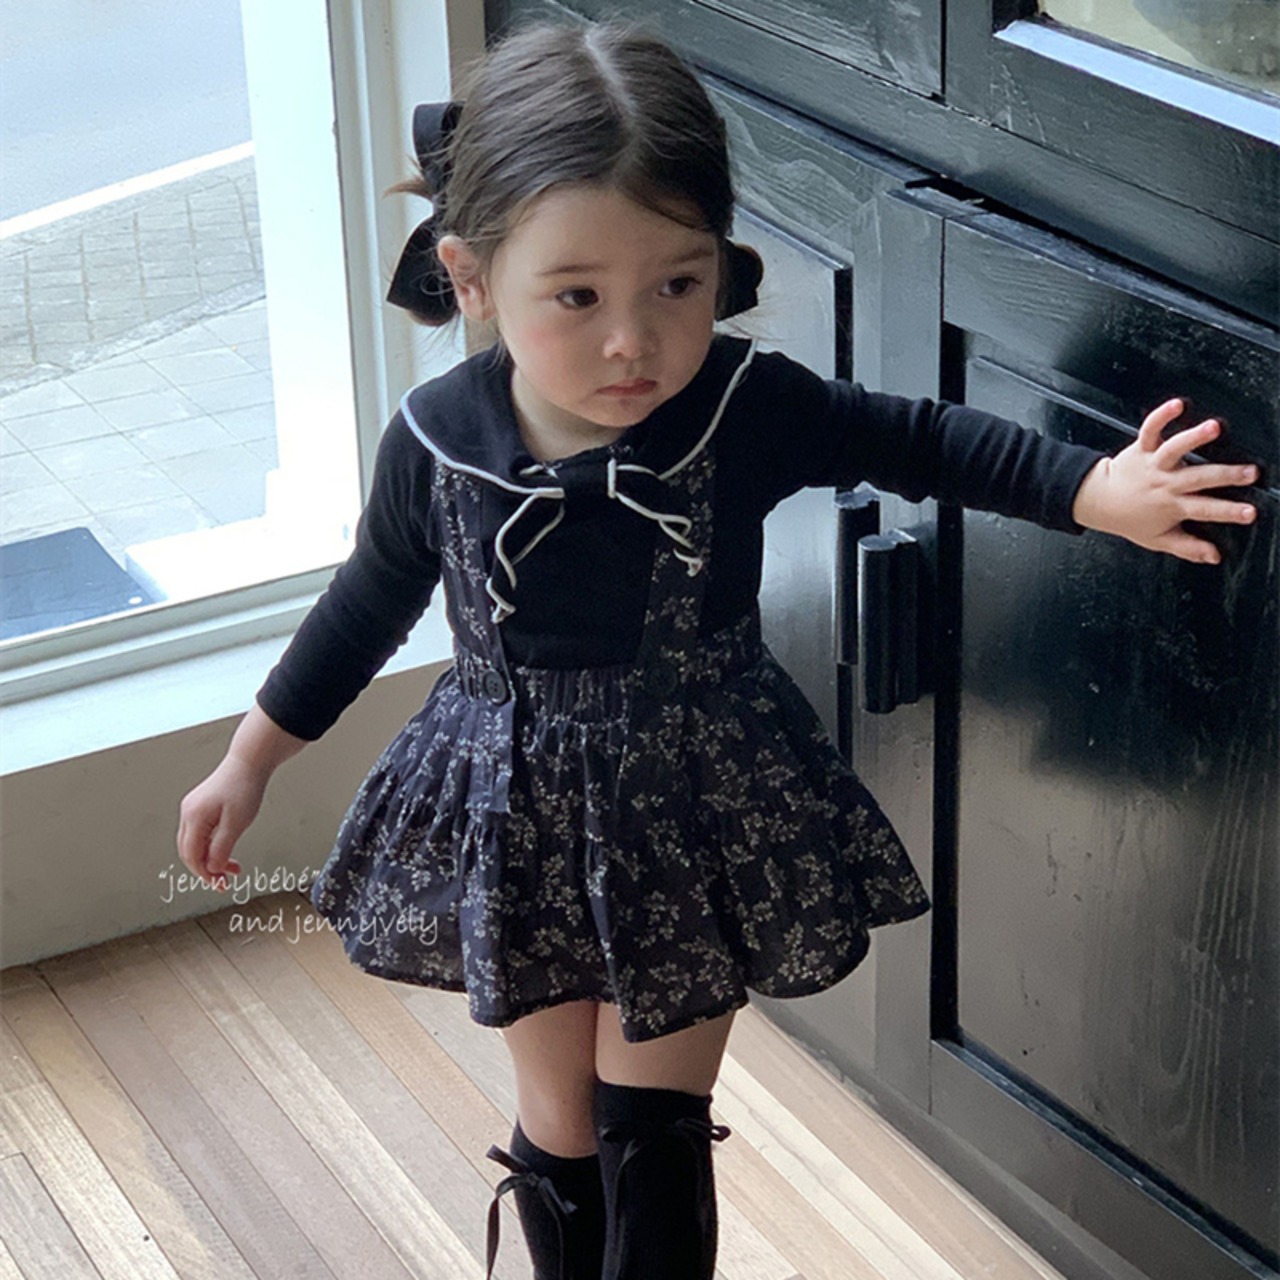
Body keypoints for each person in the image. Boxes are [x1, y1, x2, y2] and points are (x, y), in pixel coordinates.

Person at [175, 20, 1260, 1280]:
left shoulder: (743, 407)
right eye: (576, 297)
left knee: (650, 1123)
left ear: (720, 268)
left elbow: (918, 438)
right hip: (511, 810)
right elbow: (364, 604)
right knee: (558, 1124)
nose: (631, 341)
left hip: (691, 807)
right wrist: (251, 757)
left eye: (675, 287)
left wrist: (1091, 487)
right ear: (470, 280)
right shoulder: (434, 441)